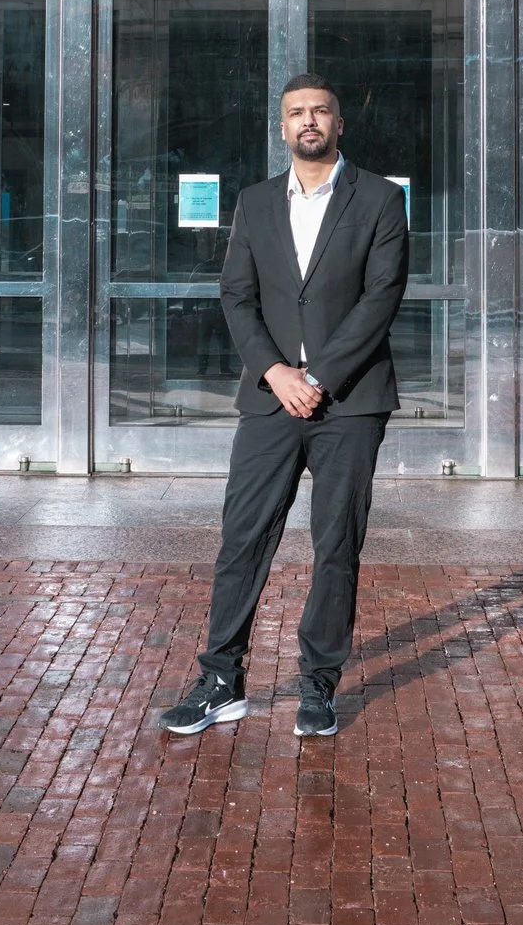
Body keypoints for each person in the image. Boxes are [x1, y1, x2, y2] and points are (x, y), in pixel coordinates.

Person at [159, 74, 410, 739]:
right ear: (281, 126)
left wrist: (319, 376)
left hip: (350, 403)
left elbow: (381, 298)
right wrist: (276, 372)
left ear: (338, 123)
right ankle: (220, 681)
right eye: (296, 113)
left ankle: (319, 685)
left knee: (335, 545)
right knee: (243, 536)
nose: (309, 121)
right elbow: (236, 297)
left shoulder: (381, 199)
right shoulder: (255, 201)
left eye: (320, 111)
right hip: (270, 399)